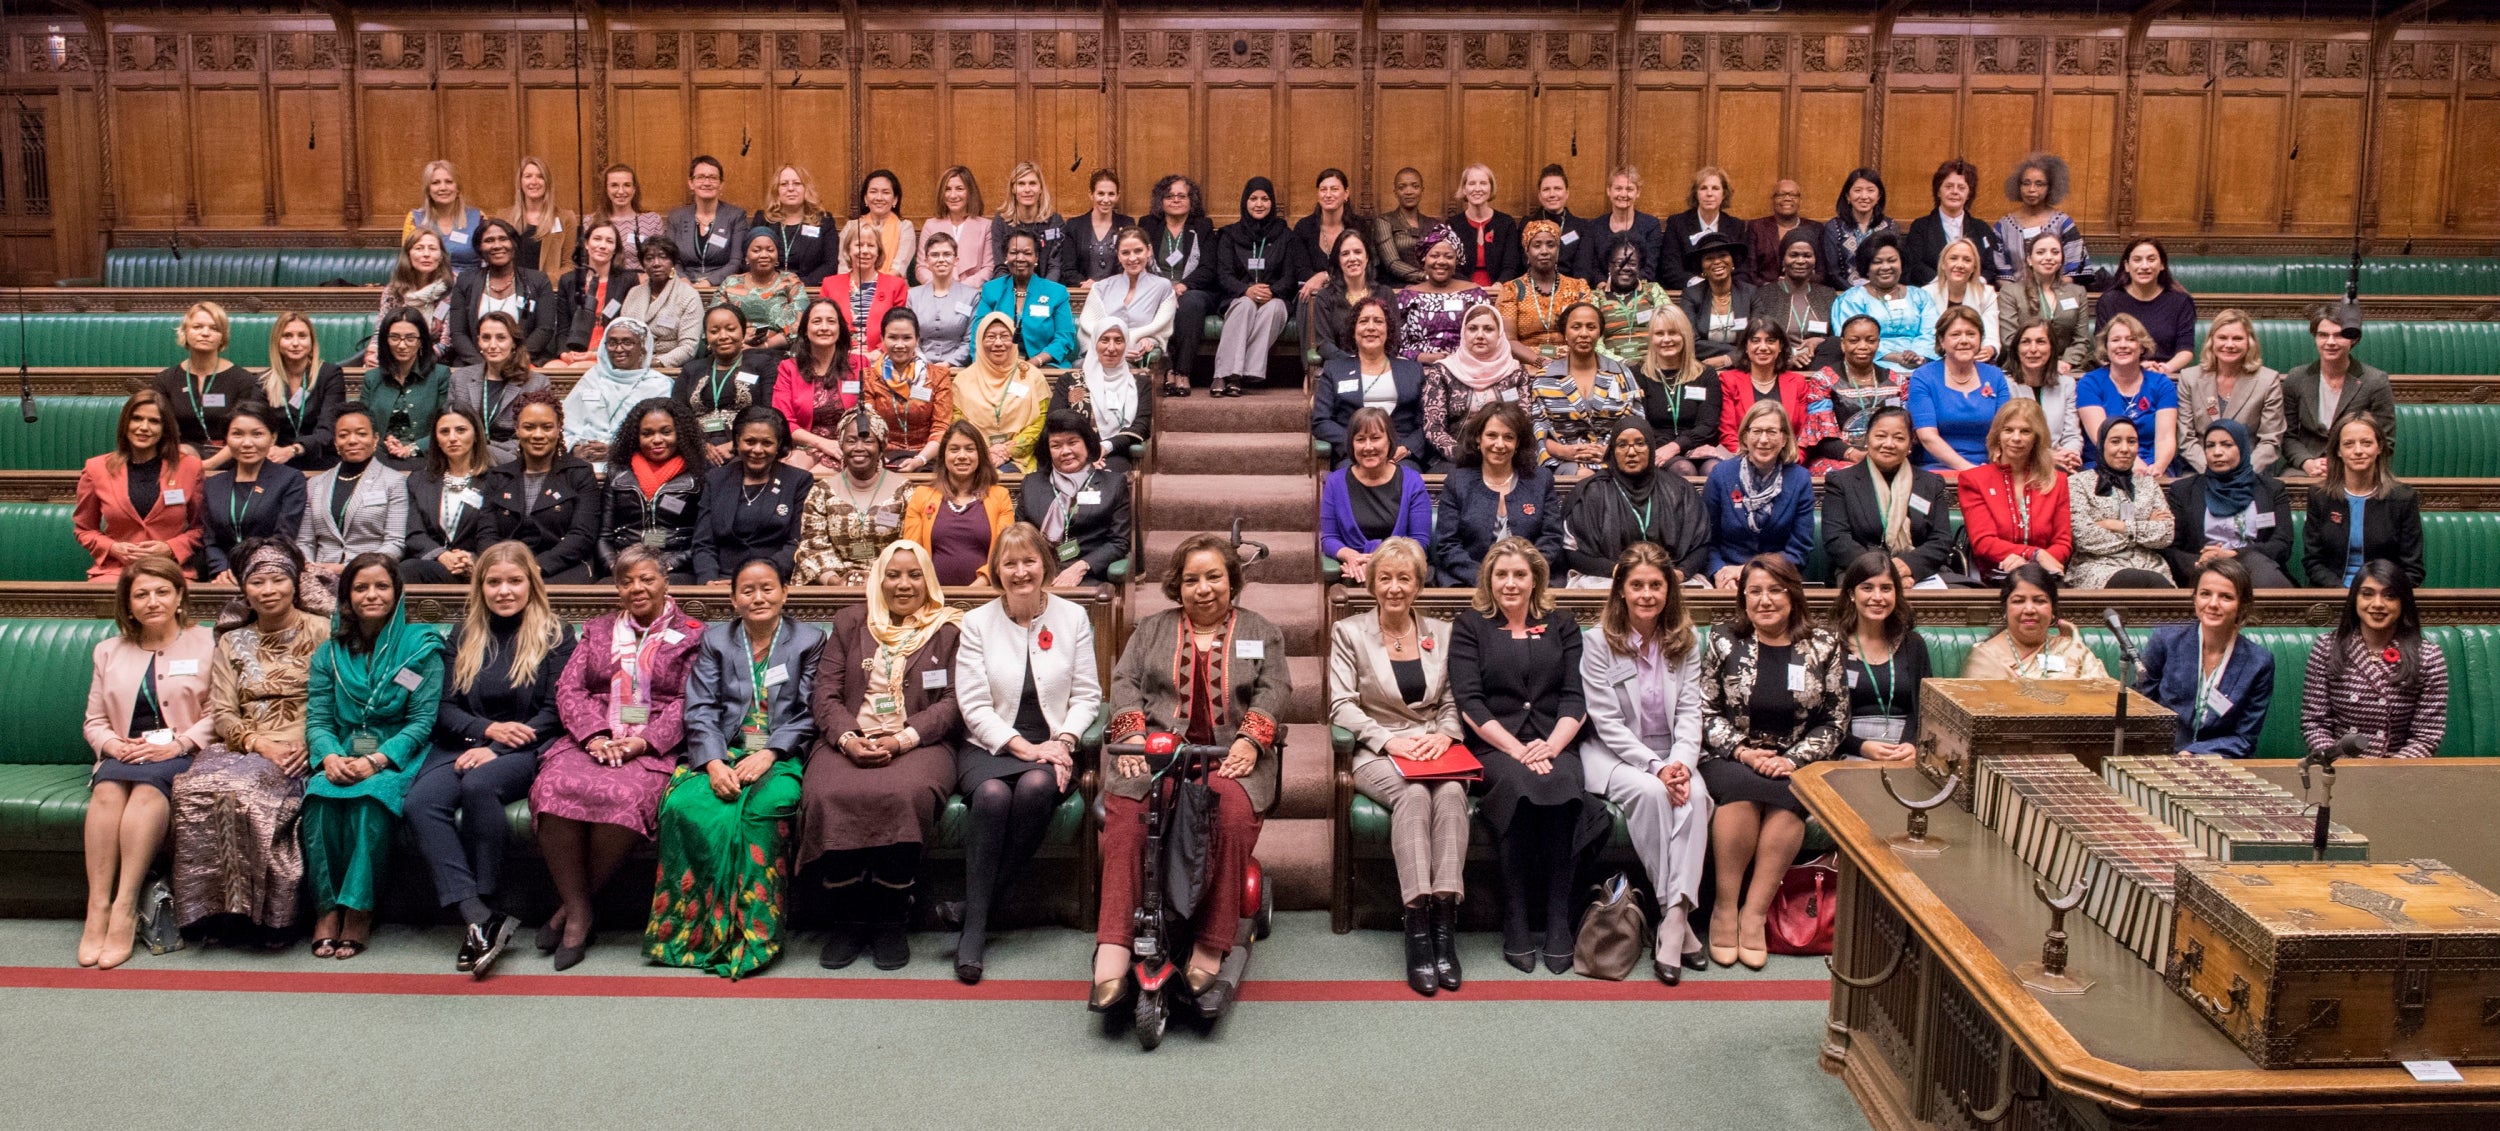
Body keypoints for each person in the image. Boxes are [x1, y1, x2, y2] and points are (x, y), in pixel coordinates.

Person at [1091, 533, 1287, 1015]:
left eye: (1214, 577)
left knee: (1229, 814)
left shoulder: (1261, 631)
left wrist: (1250, 738)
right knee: (1130, 819)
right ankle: (1115, 944)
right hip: (1157, 754)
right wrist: (1132, 735)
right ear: (1177, 586)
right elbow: (1125, 683)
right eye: (1191, 580)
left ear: (1232, 580)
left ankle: (1211, 941)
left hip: (1230, 755)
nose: (1203, 588)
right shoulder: (1152, 630)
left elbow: (1275, 689)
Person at [528, 545, 703, 969]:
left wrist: (642, 742)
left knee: (623, 797)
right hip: (593, 738)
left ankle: (571, 911)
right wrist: (595, 737)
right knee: (553, 788)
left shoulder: (694, 633)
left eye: (646, 578)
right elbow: (570, 689)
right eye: (626, 581)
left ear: (665, 580)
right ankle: (581, 908)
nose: (637, 588)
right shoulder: (598, 630)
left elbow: (691, 699)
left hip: (650, 745)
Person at [650, 554, 821, 980]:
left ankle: (753, 935)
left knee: (761, 812)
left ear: (785, 592)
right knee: (686, 808)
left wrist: (771, 753)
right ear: (733, 598)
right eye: (748, 589)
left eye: (768, 588)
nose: (758, 597)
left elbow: (810, 710)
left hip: (781, 757)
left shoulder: (809, 639)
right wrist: (711, 762)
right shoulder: (716, 640)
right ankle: (697, 937)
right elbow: (701, 707)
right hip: (722, 751)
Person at [409, 542, 575, 976]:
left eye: (514, 581)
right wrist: (484, 732)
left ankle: (489, 898)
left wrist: (498, 746)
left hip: (528, 745)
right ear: (480, 586)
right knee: (420, 803)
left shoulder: (556, 634)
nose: (504, 591)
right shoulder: (464, 633)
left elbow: (555, 712)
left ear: (531, 584)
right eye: (494, 581)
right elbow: (444, 708)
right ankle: (478, 915)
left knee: (480, 785)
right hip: (465, 741)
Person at [800, 539, 964, 971]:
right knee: (826, 794)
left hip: (919, 742)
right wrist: (848, 738)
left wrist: (903, 739)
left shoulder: (947, 630)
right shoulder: (851, 622)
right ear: (879, 578)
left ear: (927, 579)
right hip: (850, 739)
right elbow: (826, 693)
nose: (903, 584)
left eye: (913, 575)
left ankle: (891, 916)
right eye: (893, 574)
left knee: (904, 795)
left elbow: (953, 701)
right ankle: (850, 917)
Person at [953, 524, 1101, 984]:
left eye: (1029, 561)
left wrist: (1064, 743)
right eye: (1010, 563)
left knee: (1038, 785)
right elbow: (973, 706)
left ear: (1045, 564)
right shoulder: (976, 623)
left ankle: (974, 914)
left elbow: (1088, 696)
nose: (1021, 572)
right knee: (994, 796)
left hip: (1055, 743)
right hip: (990, 745)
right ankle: (976, 927)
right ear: (997, 569)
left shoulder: (1073, 617)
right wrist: (1022, 746)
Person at [1330, 536, 1469, 994]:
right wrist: (1391, 741)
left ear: (1418, 583)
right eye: (1385, 578)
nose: (1394, 587)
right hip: (1377, 751)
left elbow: (1451, 700)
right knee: (1412, 797)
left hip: (1435, 747)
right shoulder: (1349, 632)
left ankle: (1445, 926)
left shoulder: (1441, 632)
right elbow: (1341, 706)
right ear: (1371, 583)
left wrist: (1444, 735)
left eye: (1403, 578)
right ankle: (1416, 927)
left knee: (1450, 795)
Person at [171, 539, 328, 944]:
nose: (268, 590)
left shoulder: (324, 631)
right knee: (193, 788)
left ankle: (268, 920)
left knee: (245, 791)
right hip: (245, 743)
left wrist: (313, 743)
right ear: (245, 589)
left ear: (295, 584)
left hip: (303, 744)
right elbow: (222, 711)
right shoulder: (231, 640)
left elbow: (337, 700)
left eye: (278, 579)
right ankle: (213, 914)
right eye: (258, 582)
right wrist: (258, 743)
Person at [1694, 552, 1845, 968]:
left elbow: (1835, 720)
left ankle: (1754, 913)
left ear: (1793, 594)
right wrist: (1743, 751)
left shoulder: (1824, 645)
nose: (1765, 600)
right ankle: (1725, 909)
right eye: (1754, 591)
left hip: (1794, 761)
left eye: (1775, 590)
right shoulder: (1724, 640)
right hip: (1732, 755)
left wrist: (1792, 759)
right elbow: (1703, 711)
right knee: (1742, 792)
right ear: (1742, 598)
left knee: (1788, 798)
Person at [1575, 542, 1712, 983]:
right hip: (1616, 755)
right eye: (1638, 585)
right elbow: (1606, 722)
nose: (1648, 594)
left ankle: (1672, 919)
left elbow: (1691, 712)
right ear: (1621, 591)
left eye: (1657, 585)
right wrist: (1658, 768)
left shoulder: (1684, 642)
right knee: (1656, 794)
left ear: (1670, 590)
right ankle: (1678, 922)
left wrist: (1682, 765)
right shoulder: (1598, 642)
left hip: (1674, 753)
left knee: (1698, 798)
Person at [301, 554, 446, 959]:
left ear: (397, 593)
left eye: (381, 586)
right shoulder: (328, 654)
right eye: (361, 587)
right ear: (347, 595)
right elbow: (318, 719)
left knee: (370, 800)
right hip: (342, 750)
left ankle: (359, 910)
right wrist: (328, 757)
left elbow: (421, 722)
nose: (372, 595)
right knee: (319, 801)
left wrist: (377, 760)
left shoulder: (420, 649)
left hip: (399, 751)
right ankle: (327, 909)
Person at [76, 557, 215, 968]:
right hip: (123, 751)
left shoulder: (208, 643)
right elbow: (94, 721)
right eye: (141, 594)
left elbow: (220, 713)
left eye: (161, 591)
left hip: (179, 753)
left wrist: (179, 744)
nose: (152, 601)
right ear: (128, 603)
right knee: (107, 792)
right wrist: (113, 746)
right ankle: (96, 907)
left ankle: (123, 907)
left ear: (178, 597)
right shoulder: (108, 651)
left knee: (145, 795)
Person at [2300, 559, 2447, 759]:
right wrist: (2344, 765)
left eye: (2390, 596)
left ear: (2403, 601)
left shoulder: (2429, 657)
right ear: (2355, 599)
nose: (2377, 604)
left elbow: (2427, 736)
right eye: (2367, 594)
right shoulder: (2326, 648)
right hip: (2340, 770)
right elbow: (2314, 724)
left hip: (2401, 773)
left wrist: (2388, 774)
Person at [2136, 558, 2274, 758]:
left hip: (2220, 763)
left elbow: (2245, 738)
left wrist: (2194, 754)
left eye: (2226, 597)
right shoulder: (2165, 641)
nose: (2213, 604)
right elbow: (2140, 707)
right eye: (2205, 594)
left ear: (2242, 606)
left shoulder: (2259, 662)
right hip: (2161, 757)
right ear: (2195, 599)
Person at [74, 390, 204, 582]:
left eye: (154, 421)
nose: (144, 427)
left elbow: (201, 528)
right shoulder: (96, 469)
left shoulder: (190, 467)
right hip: (116, 572)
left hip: (170, 571)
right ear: (126, 423)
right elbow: (84, 529)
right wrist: (112, 548)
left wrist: (170, 548)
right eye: (137, 419)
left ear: (164, 428)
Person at [1822, 407, 1955, 588]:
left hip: (1919, 572)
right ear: (1867, 439)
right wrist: (1884, 572)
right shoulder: (1841, 482)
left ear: (1910, 444)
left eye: (1899, 438)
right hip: (1859, 570)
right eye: (1880, 436)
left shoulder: (1930, 484)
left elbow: (1941, 540)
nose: (1889, 444)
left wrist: (1909, 567)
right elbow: (1837, 540)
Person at [1432, 402, 1563, 586]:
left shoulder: (1540, 480)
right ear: (1479, 438)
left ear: (1518, 442)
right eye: (1492, 435)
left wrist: (1525, 575)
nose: (1499, 444)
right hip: (1470, 582)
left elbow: (1551, 537)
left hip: (1530, 581)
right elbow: (1448, 544)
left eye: (1508, 437)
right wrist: (1485, 579)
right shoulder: (1458, 481)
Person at [1563, 423, 1711, 586]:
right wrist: (1617, 571)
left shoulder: (1680, 490)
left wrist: (1681, 573)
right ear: (1612, 451)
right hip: (1607, 577)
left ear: (1651, 448)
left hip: (1673, 577)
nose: (1631, 452)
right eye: (1622, 445)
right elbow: (1572, 551)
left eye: (1640, 443)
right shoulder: (1590, 492)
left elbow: (1701, 545)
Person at [479, 392, 602, 584]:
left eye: (546, 427)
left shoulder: (579, 473)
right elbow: (487, 535)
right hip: (506, 568)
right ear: (517, 429)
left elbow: (582, 535)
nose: (538, 435)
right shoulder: (499, 477)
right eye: (529, 427)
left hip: (563, 567)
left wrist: (537, 566)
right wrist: (506, 567)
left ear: (559, 428)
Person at [2165, 420, 2296, 589]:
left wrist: (2235, 555)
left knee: (2257, 567)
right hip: (2203, 573)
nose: (2217, 452)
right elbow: (2171, 548)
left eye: (2226, 445)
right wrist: (2202, 561)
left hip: (2256, 571)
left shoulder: (2271, 489)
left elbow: (2282, 544)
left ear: (2242, 447)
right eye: (2210, 446)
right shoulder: (2183, 491)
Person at [692, 406, 814, 585]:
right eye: (749, 441)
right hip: (720, 583)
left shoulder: (798, 481)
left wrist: (756, 578)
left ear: (778, 444)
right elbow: (703, 543)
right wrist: (709, 582)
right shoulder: (716, 479)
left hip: (774, 580)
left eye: (767, 443)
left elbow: (797, 543)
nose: (757, 450)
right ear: (736, 441)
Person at [2302, 412, 2423, 588]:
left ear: (2380, 447)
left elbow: (2413, 568)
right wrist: (2343, 594)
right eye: (2349, 444)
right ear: (2338, 450)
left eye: (2366, 443)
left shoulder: (2403, 498)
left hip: (2384, 598)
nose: (2358, 451)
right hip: (2332, 595)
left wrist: (2377, 596)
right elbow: (2313, 561)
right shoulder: (2320, 496)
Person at [1957, 399, 2071, 583]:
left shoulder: (2057, 481)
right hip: (1996, 575)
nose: (2016, 438)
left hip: (2045, 577)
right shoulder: (1974, 480)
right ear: (1998, 435)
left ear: (2037, 438)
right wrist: (2033, 554)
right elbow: (1983, 542)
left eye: (2025, 431)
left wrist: (2034, 563)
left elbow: (2063, 543)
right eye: (2008, 430)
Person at [794, 411, 913, 586]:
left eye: (868, 441)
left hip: (890, 584)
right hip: (834, 590)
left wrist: (881, 579)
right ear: (841, 445)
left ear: (881, 446)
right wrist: (837, 582)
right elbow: (812, 546)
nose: (859, 447)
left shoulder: (905, 491)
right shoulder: (821, 492)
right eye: (851, 441)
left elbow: (911, 544)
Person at [1704, 400, 1817, 585]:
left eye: (1772, 432)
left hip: (1778, 576)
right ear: (1745, 436)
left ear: (1784, 438)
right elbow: (1707, 540)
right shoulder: (1721, 475)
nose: (1763, 440)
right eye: (1756, 431)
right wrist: (1718, 572)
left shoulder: (1800, 479)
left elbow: (1799, 549)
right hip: (1727, 576)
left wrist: (1746, 571)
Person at [600, 398, 710, 583]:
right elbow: (604, 536)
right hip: (626, 563)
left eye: (666, 432)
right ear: (636, 437)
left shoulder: (699, 475)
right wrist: (615, 565)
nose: (657, 440)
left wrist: (668, 565)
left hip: (677, 566)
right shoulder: (618, 473)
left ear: (680, 433)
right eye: (647, 433)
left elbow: (704, 539)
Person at [1017, 411, 1131, 586]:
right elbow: (1019, 536)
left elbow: (1119, 542)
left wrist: (1082, 567)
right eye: (1056, 445)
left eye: (1072, 442)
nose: (1065, 451)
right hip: (1035, 574)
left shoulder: (1113, 484)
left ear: (1087, 444)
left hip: (1088, 574)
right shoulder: (1032, 484)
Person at [1527, 302, 1643, 476]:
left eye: (1591, 327)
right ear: (1565, 333)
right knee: (1585, 477)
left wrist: (1610, 451)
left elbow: (1636, 423)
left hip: (1615, 461)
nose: (1584, 334)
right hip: (1562, 463)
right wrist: (1564, 451)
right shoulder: (1545, 378)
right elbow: (1538, 429)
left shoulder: (1620, 373)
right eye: (1576, 327)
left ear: (1599, 333)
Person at [2279, 304, 2394, 478]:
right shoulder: (2296, 378)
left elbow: (2386, 439)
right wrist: (2307, 463)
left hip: (2357, 465)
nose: (2330, 342)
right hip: (2307, 467)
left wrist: (2346, 463)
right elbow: (2287, 435)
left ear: (2353, 339)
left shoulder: (2375, 381)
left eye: (2339, 335)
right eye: (2323, 335)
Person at [1718, 320, 1848, 473]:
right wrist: (1752, 461)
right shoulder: (1729, 381)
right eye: (1755, 341)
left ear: (1780, 347)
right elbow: (1728, 432)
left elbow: (1804, 432)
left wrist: (1791, 460)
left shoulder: (1798, 383)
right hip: (1741, 462)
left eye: (1771, 341)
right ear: (1746, 347)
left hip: (1789, 465)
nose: (1763, 347)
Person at [296, 405, 409, 581]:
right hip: (320, 578)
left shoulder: (394, 482)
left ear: (375, 439)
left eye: (361, 434)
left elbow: (395, 543)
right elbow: (305, 541)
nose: (352, 440)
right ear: (335, 442)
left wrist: (348, 568)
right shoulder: (316, 484)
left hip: (371, 576)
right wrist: (310, 568)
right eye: (343, 435)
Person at [1831, 550, 1925, 762]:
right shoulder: (1832, 646)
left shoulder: (1914, 644)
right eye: (1867, 588)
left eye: (1886, 588)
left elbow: (1924, 707)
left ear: (1896, 593)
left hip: (1906, 752)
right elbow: (1823, 718)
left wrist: (1911, 744)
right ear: (1851, 594)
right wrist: (1861, 747)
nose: (1877, 597)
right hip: (1848, 749)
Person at [1320, 407, 1431, 585]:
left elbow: (1420, 541)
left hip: (1401, 570)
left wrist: (1379, 564)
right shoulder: (1335, 482)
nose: (1368, 447)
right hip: (1354, 571)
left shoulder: (1412, 481)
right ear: (1352, 444)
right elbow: (1329, 539)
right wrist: (1352, 557)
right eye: (1360, 439)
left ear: (1389, 442)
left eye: (1376, 438)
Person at [202, 404, 309, 585]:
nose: (247, 443)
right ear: (227, 439)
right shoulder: (213, 484)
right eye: (237, 434)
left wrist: (248, 570)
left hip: (270, 575)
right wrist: (222, 569)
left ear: (272, 438)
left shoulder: (290, 479)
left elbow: (283, 537)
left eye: (257, 434)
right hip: (223, 578)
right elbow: (210, 539)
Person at [1313, 297, 1427, 467]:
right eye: (1364, 321)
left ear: (1388, 329)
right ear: (1354, 330)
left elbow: (1426, 422)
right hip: (1353, 455)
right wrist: (1355, 445)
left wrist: (1407, 448)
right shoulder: (1334, 369)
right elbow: (1321, 421)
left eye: (1378, 321)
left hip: (1399, 456)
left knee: (1407, 478)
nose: (1371, 327)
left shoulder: (1412, 370)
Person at [901, 420, 1015, 588]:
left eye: (970, 449)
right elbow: (911, 554)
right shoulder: (922, 496)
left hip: (986, 596)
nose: (962, 456)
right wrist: (933, 592)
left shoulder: (999, 496)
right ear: (944, 456)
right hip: (931, 597)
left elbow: (1005, 553)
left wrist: (975, 590)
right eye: (954, 449)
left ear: (980, 455)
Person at [1211, 177, 1297, 397]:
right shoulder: (1229, 234)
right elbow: (1223, 274)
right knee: (1246, 305)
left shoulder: (1285, 236)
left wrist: (1272, 292)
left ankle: (1241, 373)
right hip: (1238, 296)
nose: (1259, 204)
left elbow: (1290, 276)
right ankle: (1224, 374)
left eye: (1265, 199)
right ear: (1244, 202)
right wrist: (1246, 290)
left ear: (1272, 203)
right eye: (1253, 198)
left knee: (1275, 308)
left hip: (1274, 298)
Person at [2067, 417, 2176, 588]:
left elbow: (2166, 534)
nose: (2124, 449)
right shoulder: (2078, 483)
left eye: (2131, 442)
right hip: (2098, 567)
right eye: (2115, 442)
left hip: (2149, 564)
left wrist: (2119, 526)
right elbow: (2084, 536)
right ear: (2102, 445)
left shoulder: (2147, 484)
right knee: (2142, 581)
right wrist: (2144, 529)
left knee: (2155, 583)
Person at [1901, 306, 2011, 473]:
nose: (1964, 340)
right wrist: (1969, 470)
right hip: (1936, 470)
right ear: (1941, 341)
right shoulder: (1923, 377)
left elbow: (2005, 429)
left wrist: (1992, 469)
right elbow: (1927, 436)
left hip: (1990, 467)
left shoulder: (1995, 375)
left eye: (1971, 334)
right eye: (1955, 334)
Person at [2174, 310, 2285, 475]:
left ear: (2250, 342)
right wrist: (2211, 468)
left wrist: (2243, 471)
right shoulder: (2189, 378)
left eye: (2238, 338)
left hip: (2250, 471)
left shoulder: (2267, 381)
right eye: (2223, 338)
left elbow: (2270, 441)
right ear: (2211, 341)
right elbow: (2186, 438)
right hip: (2200, 470)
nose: (2229, 344)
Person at [151, 301, 258, 468]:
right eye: (197, 327)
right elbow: (161, 431)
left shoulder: (242, 380)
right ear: (185, 331)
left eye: (214, 328)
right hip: (182, 460)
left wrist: (207, 465)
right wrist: (187, 459)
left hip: (234, 459)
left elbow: (248, 432)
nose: (205, 333)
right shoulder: (166, 380)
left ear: (222, 335)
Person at [397, 406, 492, 585]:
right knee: (406, 569)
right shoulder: (419, 480)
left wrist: (472, 559)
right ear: (436, 439)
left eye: (461, 430)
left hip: (480, 567)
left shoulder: (495, 480)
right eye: (444, 432)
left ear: (476, 435)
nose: (452, 438)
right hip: (432, 564)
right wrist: (441, 554)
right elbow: (414, 533)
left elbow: (497, 532)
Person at [2075, 314, 2181, 474]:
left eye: (2131, 339)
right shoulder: (2090, 383)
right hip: (2104, 465)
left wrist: (2158, 466)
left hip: (2153, 467)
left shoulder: (2161, 384)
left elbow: (2165, 437)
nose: (2122, 345)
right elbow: (2101, 436)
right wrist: (2134, 464)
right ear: (2106, 346)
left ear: (2142, 346)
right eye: (2116, 340)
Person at [444, 218, 557, 367]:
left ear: (514, 244)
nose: (497, 245)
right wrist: (483, 366)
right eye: (489, 240)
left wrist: (515, 361)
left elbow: (544, 329)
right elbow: (458, 333)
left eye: (503, 239)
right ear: (480, 248)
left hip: (524, 363)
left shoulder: (537, 280)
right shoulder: (466, 281)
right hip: (475, 364)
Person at [1961, 563, 2106, 679]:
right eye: (2018, 601)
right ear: (2005, 608)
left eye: (2039, 601)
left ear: (2052, 610)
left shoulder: (2073, 650)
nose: (2029, 609)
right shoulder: (1986, 658)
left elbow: (2102, 700)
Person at [1631, 305, 1728, 477]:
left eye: (1673, 333)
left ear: (1684, 336)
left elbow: (1708, 424)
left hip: (1699, 447)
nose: (1666, 339)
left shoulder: (1706, 374)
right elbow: (1641, 424)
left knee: (1715, 469)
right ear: (1651, 338)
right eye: (1660, 334)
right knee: (1684, 469)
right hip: (1658, 450)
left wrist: (1680, 446)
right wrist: (1670, 448)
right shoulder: (1639, 375)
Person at [562, 318, 674, 467]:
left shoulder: (659, 385)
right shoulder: (591, 378)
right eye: (612, 343)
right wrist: (575, 449)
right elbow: (564, 424)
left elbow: (663, 437)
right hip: (584, 462)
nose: (619, 349)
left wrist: (617, 451)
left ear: (642, 348)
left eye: (627, 342)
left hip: (635, 463)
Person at [445, 311, 551, 467]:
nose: (492, 345)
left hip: (516, 459)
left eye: (501, 338)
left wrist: (487, 449)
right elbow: (451, 427)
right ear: (478, 341)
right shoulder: (460, 378)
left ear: (514, 343)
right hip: (465, 459)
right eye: (486, 338)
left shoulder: (537, 384)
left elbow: (533, 437)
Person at [1143, 174, 1219, 390]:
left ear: (1191, 200)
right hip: (1157, 287)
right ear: (1161, 200)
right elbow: (1141, 263)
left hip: (1195, 290)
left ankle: (1182, 371)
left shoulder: (1203, 226)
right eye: (1169, 196)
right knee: (1158, 301)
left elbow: (1209, 268)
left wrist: (1182, 286)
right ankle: (1166, 369)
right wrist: (1165, 289)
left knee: (1190, 303)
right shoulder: (1149, 225)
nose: (1175, 200)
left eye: (1181, 196)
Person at [954, 310, 1053, 474]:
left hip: (1021, 458)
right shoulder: (963, 380)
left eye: (1005, 336)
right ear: (979, 340)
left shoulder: (1031, 376)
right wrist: (985, 452)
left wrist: (1008, 450)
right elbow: (957, 424)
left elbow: (1040, 421)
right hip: (972, 457)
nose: (998, 343)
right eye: (991, 337)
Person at [677, 305, 780, 460]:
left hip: (748, 449)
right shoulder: (691, 369)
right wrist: (700, 446)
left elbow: (769, 413)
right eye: (714, 331)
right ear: (706, 336)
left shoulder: (763, 365)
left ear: (743, 333)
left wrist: (737, 445)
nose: (723, 336)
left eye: (731, 329)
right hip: (698, 449)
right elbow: (678, 416)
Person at [856, 308, 954, 470]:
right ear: (882, 339)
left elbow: (941, 426)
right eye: (893, 337)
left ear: (917, 340)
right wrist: (879, 458)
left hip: (928, 456)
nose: (899, 345)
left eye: (907, 338)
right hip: (883, 457)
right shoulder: (869, 377)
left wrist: (920, 459)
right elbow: (869, 425)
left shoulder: (937, 376)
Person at [773, 299, 865, 472]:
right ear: (806, 330)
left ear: (840, 329)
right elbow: (783, 422)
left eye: (831, 321)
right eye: (817, 321)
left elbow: (870, 414)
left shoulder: (860, 364)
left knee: (812, 480)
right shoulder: (789, 368)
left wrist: (843, 444)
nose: (824, 327)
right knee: (790, 473)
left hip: (849, 446)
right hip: (805, 445)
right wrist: (822, 443)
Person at [1829, 234, 1939, 377]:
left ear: (1901, 263)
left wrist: (1919, 356)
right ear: (1867, 267)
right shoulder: (1851, 299)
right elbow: (1851, 339)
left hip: (1921, 366)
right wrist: (1895, 357)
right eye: (1877, 262)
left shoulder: (1920, 296)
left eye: (1892, 260)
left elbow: (1932, 332)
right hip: (1871, 368)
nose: (1886, 267)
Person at [1051, 321, 1148, 475]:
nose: (1111, 348)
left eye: (1118, 340)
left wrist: (1106, 446)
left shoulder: (1140, 382)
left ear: (1126, 345)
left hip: (1115, 453)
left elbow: (1141, 426)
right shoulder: (1069, 380)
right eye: (1104, 340)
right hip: (1071, 453)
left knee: (1106, 477)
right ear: (1095, 343)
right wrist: (1084, 452)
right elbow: (1055, 421)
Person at [973, 231, 1078, 371]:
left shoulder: (1056, 292)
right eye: (1014, 252)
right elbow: (978, 334)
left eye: (1027, 253)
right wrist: (983, 367)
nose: (1020, 258)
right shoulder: (992, 290)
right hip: (997, 367)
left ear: (1036, 258)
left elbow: (1064, 338)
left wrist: (1035, 362)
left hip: (1044, 367)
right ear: (1006, 256)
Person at [257, 311, 347, 471]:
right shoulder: (263, 381)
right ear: (277, 342)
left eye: (302, 336)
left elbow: (328, 430)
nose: (296, 343)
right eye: (287, 336)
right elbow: (258, 428)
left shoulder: (329, 375)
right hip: (277, 462)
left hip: (321, 461)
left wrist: (293, 450)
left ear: (311, 342)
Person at [1998, 230, 2095, 378]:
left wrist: (2067, 362)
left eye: (2055, 252)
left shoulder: (2077, 292)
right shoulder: (2010, 292)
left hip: (2066, 369)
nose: (2048, 257)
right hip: (2022, 367)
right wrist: (2047, 363)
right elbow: (2010, 339)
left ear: (2061, 258)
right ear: (2030, 259)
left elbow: (2081, 340)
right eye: (2041, 252)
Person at [364, 307, 451, 471]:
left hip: (426, 458)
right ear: (385, 340)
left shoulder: (440, 375)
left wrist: (412, 448)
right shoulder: (372, 378)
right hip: (380, 456)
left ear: (421, 341)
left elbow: (446, 424)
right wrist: (386, 442)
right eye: (395, 338)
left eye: (410, 338)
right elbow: (365, 424)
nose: (402, 345)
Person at [1497, 220, 1596, 364]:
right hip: (1527, 364)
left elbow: (1585, 334)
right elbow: (1509, 340)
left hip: (1573, 363)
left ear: (1558, 249)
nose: (1544, 251)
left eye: (1551, 245)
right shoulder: (1512, 289)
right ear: (1527, 250)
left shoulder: (1578, 288)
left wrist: (1566, 365)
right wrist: (1541, 362)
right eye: (1537, 245)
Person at [2093, 237, 2196, 374]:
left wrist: (2164, 369)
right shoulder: (2109, 300)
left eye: (2151, 259)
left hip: (2165, 375)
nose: (2144, 266)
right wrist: (2135, 368)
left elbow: (2186, 350)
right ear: (2127, 266)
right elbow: (2102, 352)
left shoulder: (2181, 301)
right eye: (2137, 260)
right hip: (2120, 374)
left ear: (2162, 265)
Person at [1077, 227, 1178, 367]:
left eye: (1138, 251)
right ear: (1118, 255)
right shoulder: (1101, 287)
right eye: (1125, 252)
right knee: (1081, 366)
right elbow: (1089, 326)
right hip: (1099, 357)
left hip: (1135, 360)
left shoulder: (1163, 287)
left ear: (1148, 250)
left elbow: (1161, 328)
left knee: (1125, 369)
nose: (1132, 258)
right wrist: (1114, 349)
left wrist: (1149, 340)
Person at [1901, 159, 2006, 288]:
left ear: (1969, 194)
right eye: (1948, 186)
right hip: (1933, 291)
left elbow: (1990, 267)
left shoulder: (1981, 228)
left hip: (1973, 293)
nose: (1955, 192)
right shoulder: (1921, 226)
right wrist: (1942, 284)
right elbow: (1914, 264)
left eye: (1961, 187)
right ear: (1938, 191)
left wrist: (1975, 284)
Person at [1817, 315, 1908, 459]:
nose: (1863, 346)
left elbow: (1906, 428)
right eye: (1854, 341)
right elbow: (1822, 435)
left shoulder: (1896, 381)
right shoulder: (1824, 380)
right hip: (1841, 458)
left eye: (1870, 341)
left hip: (1889, 453)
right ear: (1843, 344)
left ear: (1878, 343)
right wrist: (1857, 456)